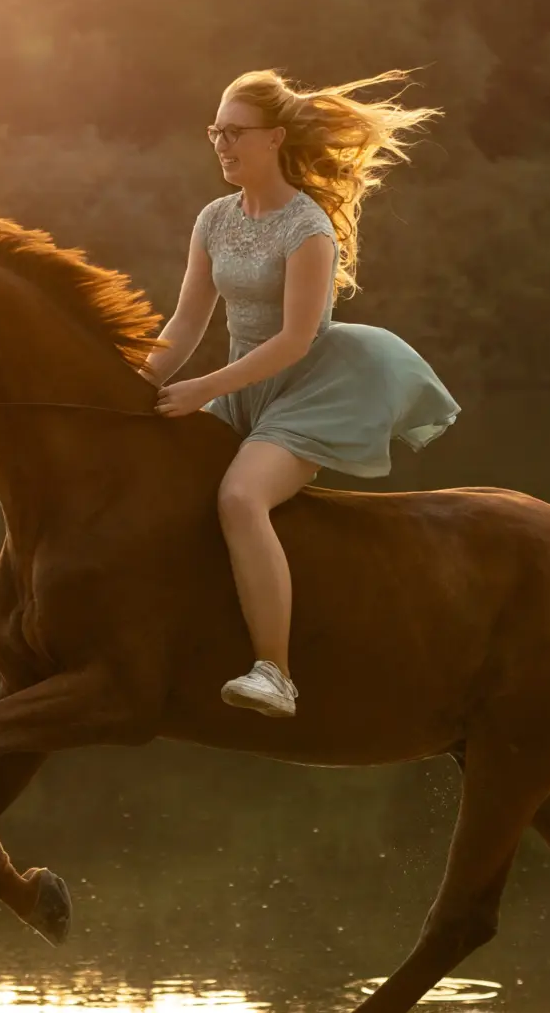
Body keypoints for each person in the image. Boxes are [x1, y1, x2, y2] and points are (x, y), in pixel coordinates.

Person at [136, 68, 463, 719]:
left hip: (311, 388)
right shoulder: (213, 219)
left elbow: (293, 341)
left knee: (239, 496)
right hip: (240, 387)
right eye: (215, 131)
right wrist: (134, 380)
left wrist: (200, 386)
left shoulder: (309, 229)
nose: (222, 144)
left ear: (275, 137)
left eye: (235, 132)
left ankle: (275, 672)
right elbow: (184, 325)